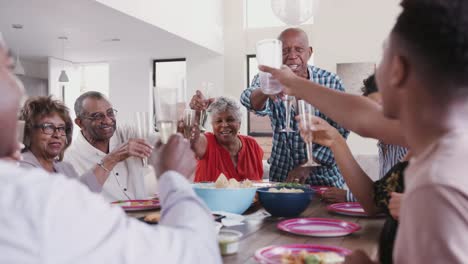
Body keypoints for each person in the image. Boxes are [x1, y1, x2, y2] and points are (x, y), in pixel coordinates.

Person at [262, 1, 468, 263]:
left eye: (382, 58)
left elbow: (362, 116)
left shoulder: (437, 186)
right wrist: (335, 139)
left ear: (397, 70)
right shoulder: (441, 142)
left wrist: (293, 84)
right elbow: (373, 196)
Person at [0, 42, 221, 263]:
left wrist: (193, 116)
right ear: (79, 123)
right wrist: (173, 180)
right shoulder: (40, 184)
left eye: (60, 129)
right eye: (8, 69)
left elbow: (171, 141)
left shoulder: (63, 167)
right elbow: (194, 255)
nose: (107, 120)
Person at [240, 27, 349, 187]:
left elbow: (340, 132)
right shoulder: (269, 78)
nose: (292, 56)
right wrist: (266, 89)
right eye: (285, 51)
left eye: (299, 50)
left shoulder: (330, 81)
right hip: (282, 177)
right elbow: (248, 101)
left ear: (309, 52)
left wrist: (307, 166)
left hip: (324, 180)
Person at [322, 74, 408, 203]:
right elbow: (384, 193)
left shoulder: (408, 144)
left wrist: (348, 196)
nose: (378, 116)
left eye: (384, 107)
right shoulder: (384, 144)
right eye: (372, 109)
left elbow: (391, 199)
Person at [64, 91, 157, 202]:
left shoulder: (128, 134)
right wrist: (113, 158)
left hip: (145, 216)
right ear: (80, 122)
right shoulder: (69, 159)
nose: (107, 120)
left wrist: (179, 132)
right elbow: (76, 199)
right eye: (97, 116)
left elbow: (163, 144)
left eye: (110, 113)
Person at [18, 96, 102, 192]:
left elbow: (83, 197)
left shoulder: (66, 168)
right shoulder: (20, 168)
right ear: (29, 131)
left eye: (61, 128)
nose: (57, 135)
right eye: (48, 127)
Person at [188, 96, 263, 182]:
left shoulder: (252, 145)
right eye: (219, 121)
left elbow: (258, 186)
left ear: (239, 123)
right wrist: (195, 115)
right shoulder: (207, 142)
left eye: (230, 120)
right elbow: (192, 140)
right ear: (212, 125)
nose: (224, 125)